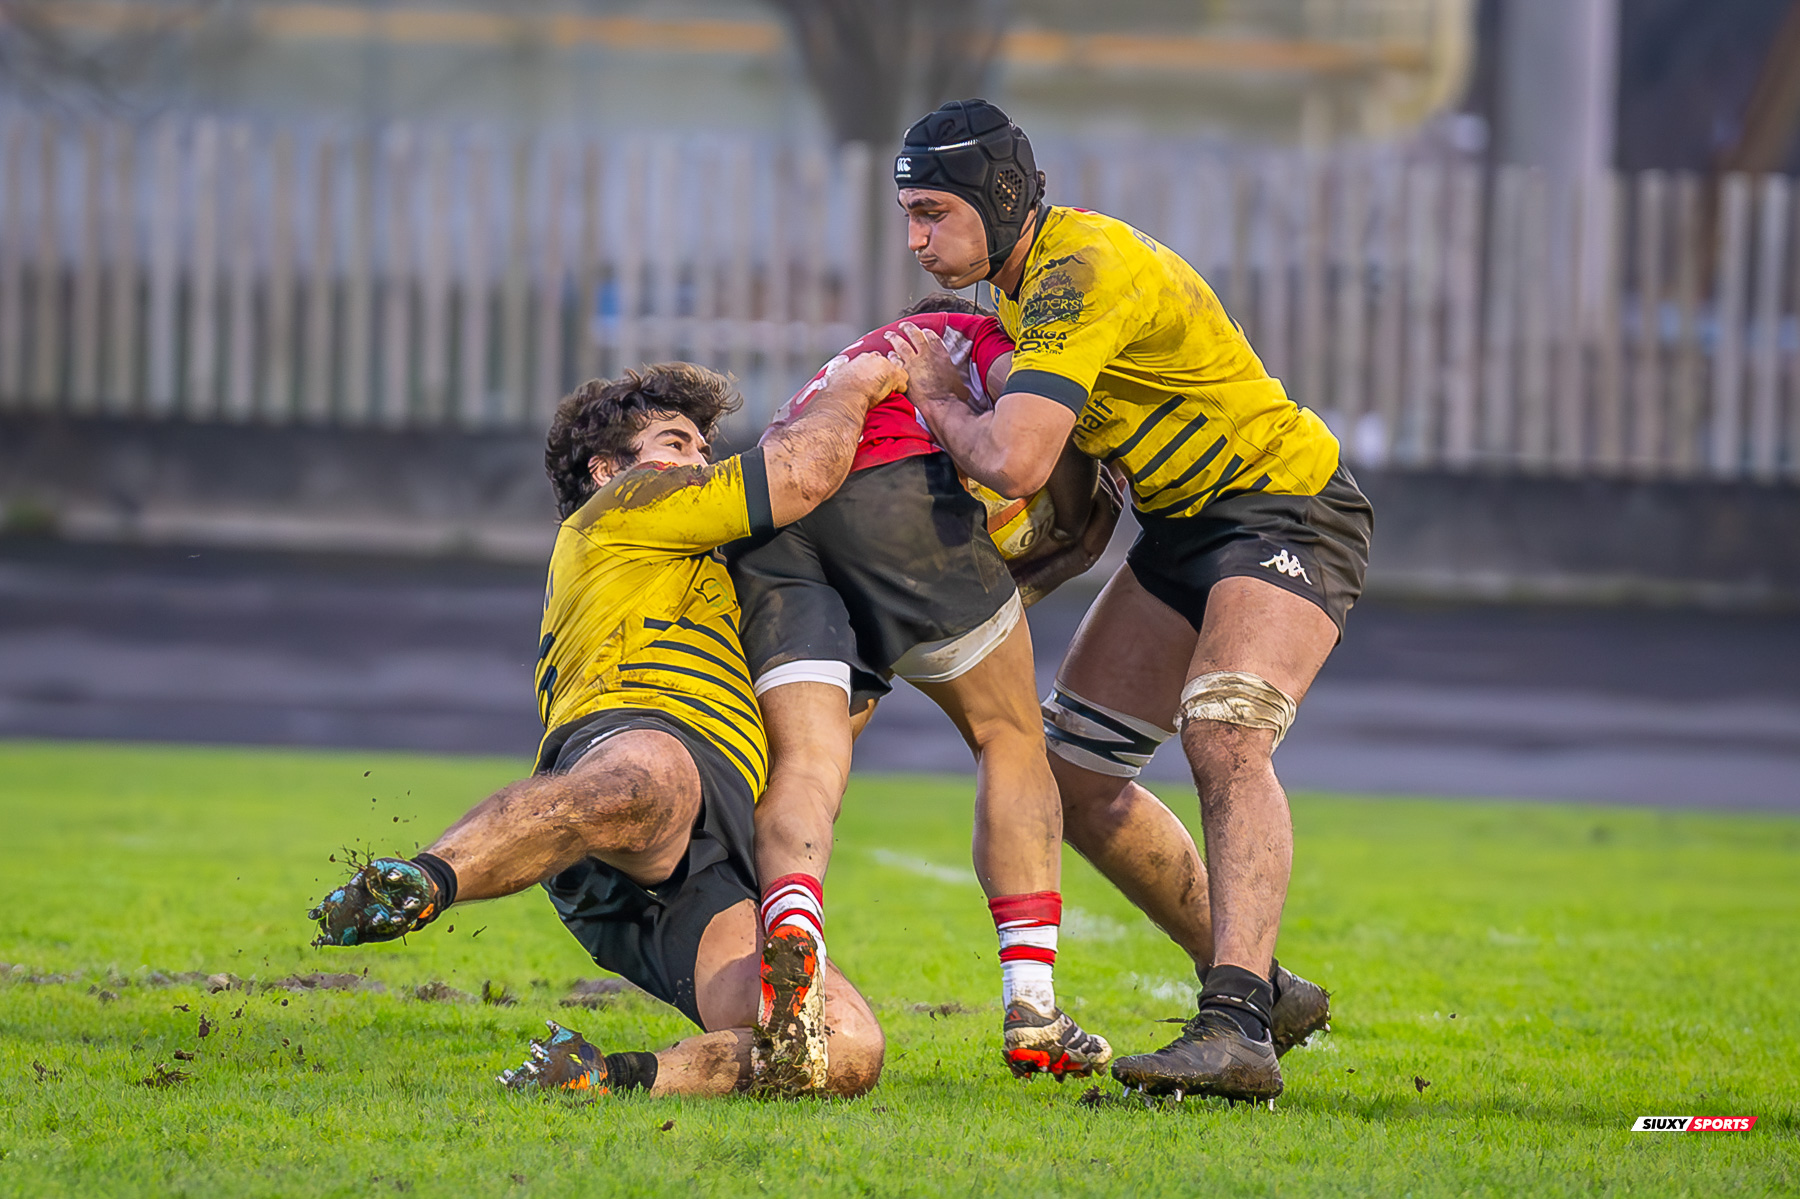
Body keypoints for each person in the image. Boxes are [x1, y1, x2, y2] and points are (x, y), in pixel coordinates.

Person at [888, 99, 1371, 1103]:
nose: (915, 237)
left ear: (999, 197)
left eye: (932, 209)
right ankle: (1264, 990)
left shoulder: (1076, 274)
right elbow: (1080, 514)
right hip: (1187, 528)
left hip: (1286, 508)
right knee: (1068, 777)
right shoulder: (1025, 293)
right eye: (907, 213)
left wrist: (935, 396)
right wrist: (996, 594)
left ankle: (1233, 1026)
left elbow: (1017, 458)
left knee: (1228, 732)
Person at [307, 358, 904, 1099]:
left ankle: (605, 1077)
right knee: (651, 780)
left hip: (709, 866)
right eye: (677, 442)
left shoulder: (717, 573)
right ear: (604, 468)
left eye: (703, 448)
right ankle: (420, 881)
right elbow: (803, 472)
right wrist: (859, 380)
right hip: (637, 744)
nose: (699, 462)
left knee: (845, 1047)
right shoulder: (631, 504)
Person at [727, 293, 1121, 1092]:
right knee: (1008, 734)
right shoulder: (963, 336)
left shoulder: (836, 371)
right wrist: (1076, 520)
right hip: (894, 497)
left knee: (807, 760)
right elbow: (1034, 442)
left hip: (776, 524)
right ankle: (1034, 1006)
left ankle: (792, 921)